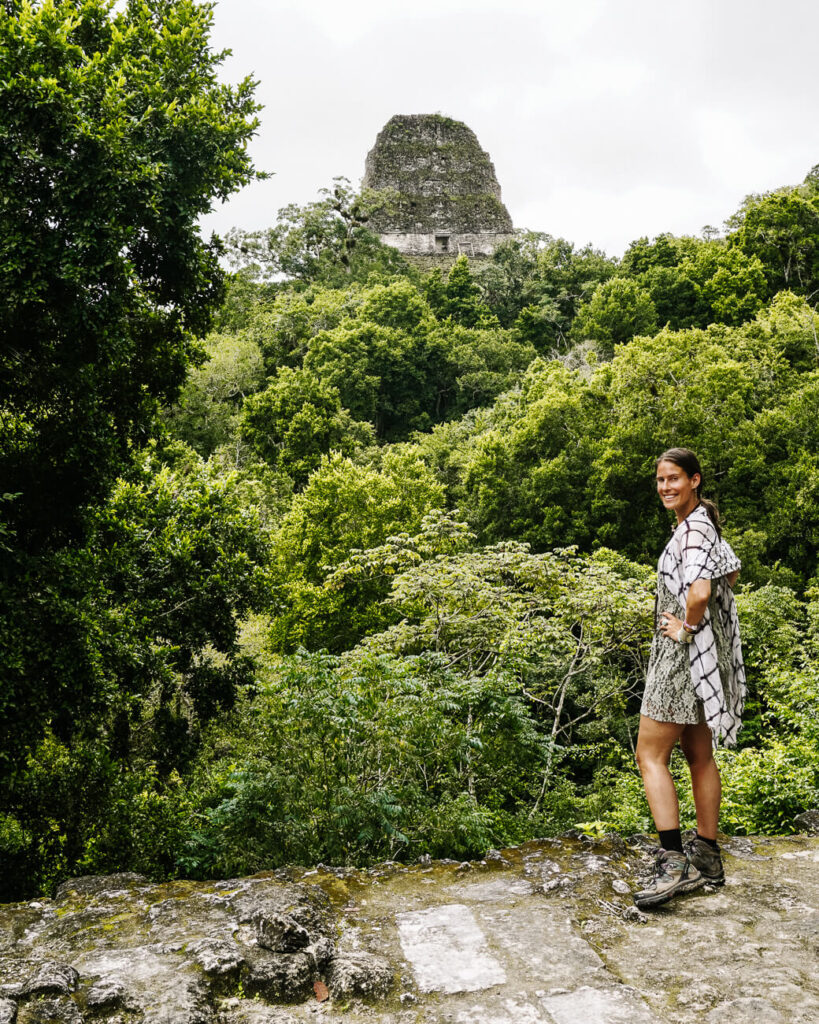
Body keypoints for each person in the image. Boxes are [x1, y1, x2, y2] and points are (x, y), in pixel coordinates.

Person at [633, 447, 746, 910]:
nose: (665, 487)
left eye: (674, 479)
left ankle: (673, 861)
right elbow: (732, 573)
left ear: (694, 480)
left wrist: (686, 626)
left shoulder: (692, 530)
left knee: (650, 754)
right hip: (707, 656)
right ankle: (708, 854)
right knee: (699, 754)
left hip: (681, 656)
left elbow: (700, 591)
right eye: (660, 480)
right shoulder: (702, 524)